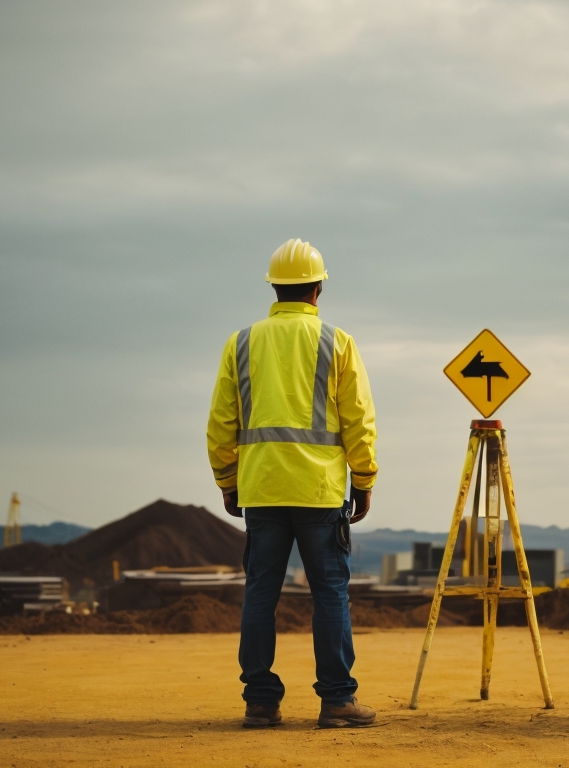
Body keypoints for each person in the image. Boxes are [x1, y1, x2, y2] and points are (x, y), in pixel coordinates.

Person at [207, 238, 379, 729]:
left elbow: (221, 422)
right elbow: (358, 420)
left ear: (275, 288)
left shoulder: (240, 342)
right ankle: (337, 702)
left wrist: (227, 479)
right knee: (329, 593)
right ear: (318, 288)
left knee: (261, 593)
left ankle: (260, 702)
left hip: (260, 488)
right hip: (320, 492)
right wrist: (363, 480)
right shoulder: (337, 342)